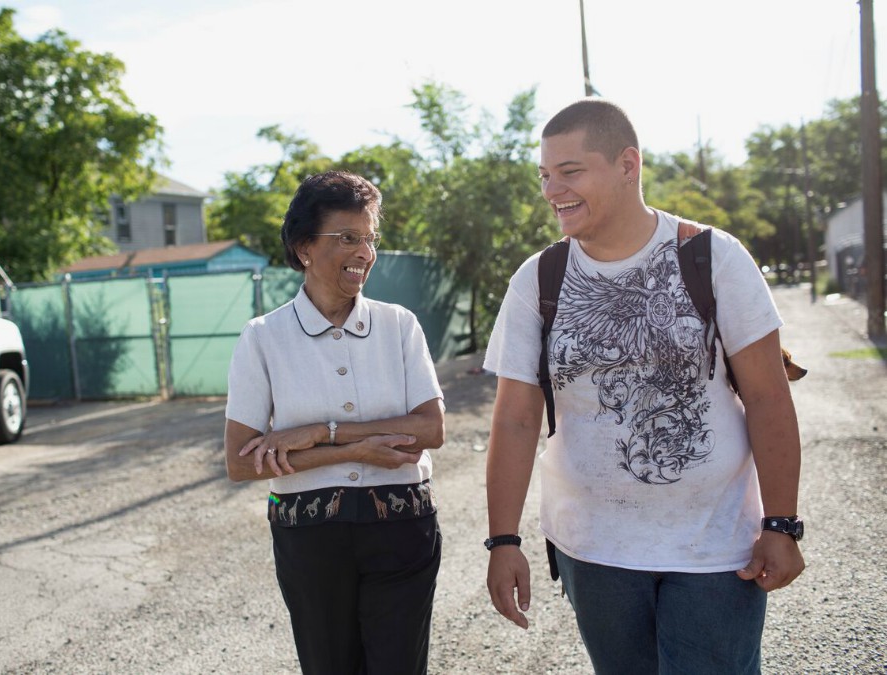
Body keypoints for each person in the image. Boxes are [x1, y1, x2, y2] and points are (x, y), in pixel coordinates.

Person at [483, 99, 805, 674]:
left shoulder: (713, 258)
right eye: (544, 175)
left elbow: (767, 396)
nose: (552, 189)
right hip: (595, 551)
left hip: (713, 546)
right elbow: (514, 419)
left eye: (570, 171)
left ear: (628, 164)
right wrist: (502, 540)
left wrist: (781, 524)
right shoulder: (538, 280)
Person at [224, 170, 445, 675]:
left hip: (403, 528)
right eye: (348, 238)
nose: (365, 252)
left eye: (370, 239)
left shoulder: (398, 325)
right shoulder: (263, 338)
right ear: (304, 247)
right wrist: (354, 451)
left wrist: (321, 434)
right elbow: (241, 463)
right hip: (310, 538)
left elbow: (431, 429)